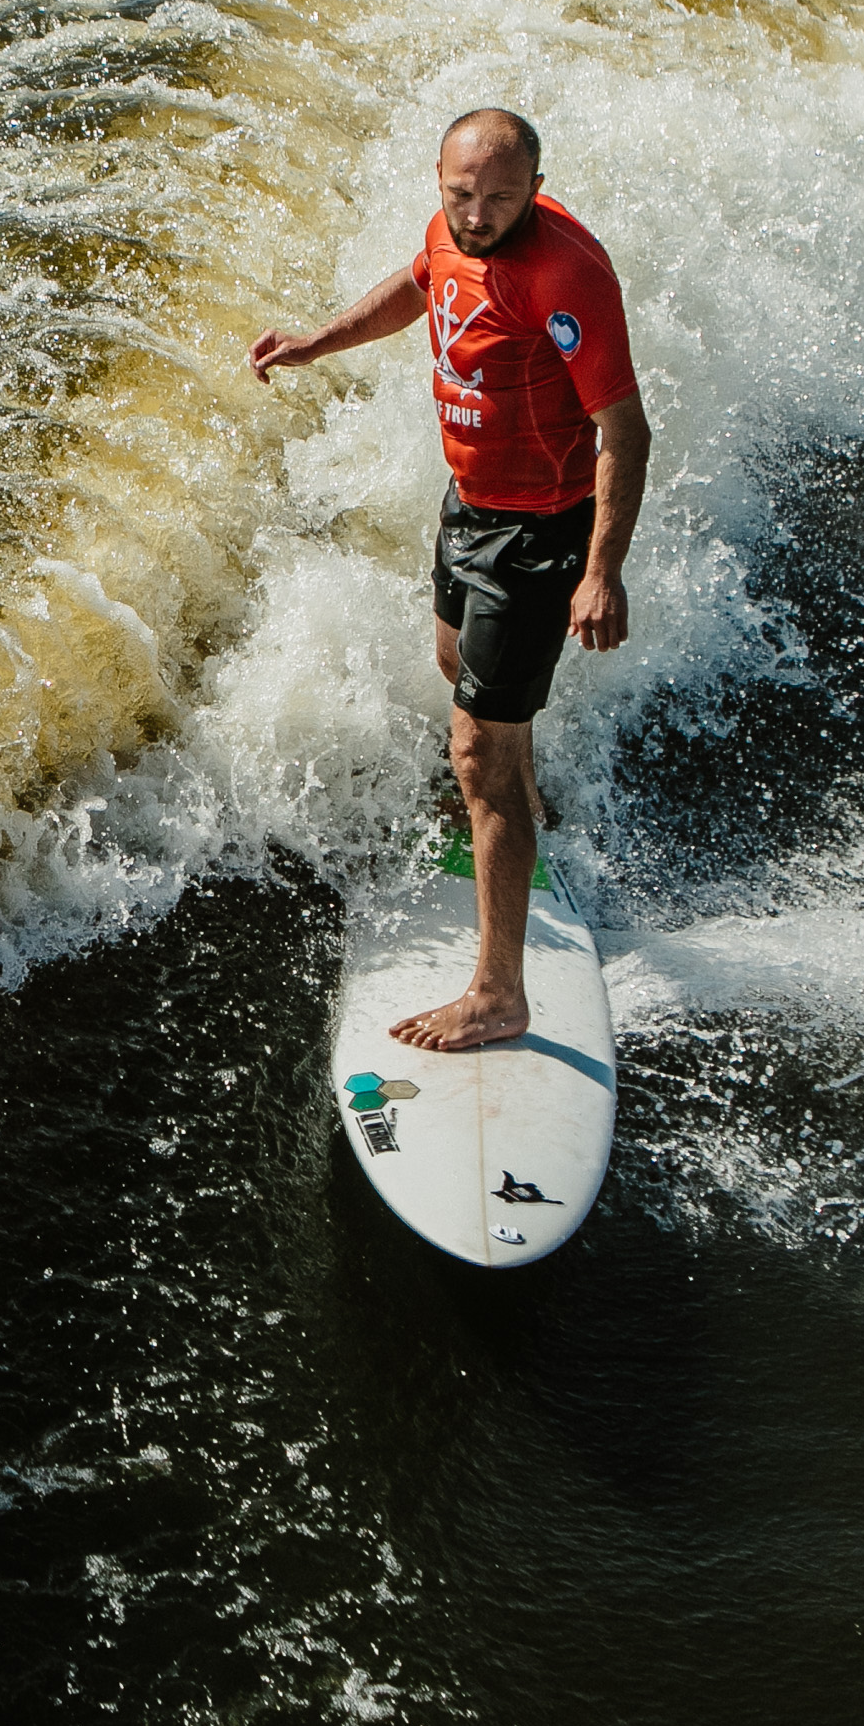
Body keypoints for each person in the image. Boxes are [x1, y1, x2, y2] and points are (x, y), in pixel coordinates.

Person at [248, 105, 650, 1051]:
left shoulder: (565, 275)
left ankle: (499, 992)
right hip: (470, 504)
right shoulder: (448, 230)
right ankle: (520, 790)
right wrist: (314, 341)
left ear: (534, 191)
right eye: (461, 193)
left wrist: (602, 571)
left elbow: (625, 432)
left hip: (539, 533)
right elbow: (423, 285)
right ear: (440, 178)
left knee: (476, 748)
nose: (477, 215)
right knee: (453, 665)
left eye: (501, 199)